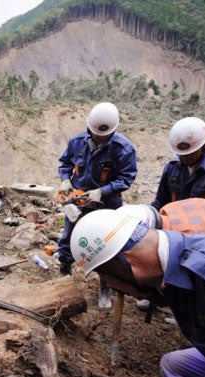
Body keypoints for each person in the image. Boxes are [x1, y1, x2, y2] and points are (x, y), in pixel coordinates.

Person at [70, 209, 205, 377]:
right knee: (177, 367)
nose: (111, 286)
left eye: (107, 278)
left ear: (129, 262)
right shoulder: (171, 270)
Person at [57, 102, 137, 308]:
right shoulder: (77, 142)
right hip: (79, 199)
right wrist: (65, 179)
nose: (99, 138)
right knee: (67, 238)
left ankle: (105, 287)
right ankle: (64, 274)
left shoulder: (123, 149)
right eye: (95, 134)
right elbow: (65, 163)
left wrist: (103, 191)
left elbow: (126, 178)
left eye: (103, 135)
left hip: (107, 204)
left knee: (106, 246)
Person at [152, 117, 205, 210]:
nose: (186, 157)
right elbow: (161, 202)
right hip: (175, 221)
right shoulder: (171, 168)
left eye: (191, 153)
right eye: (182, 154)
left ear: (204, 146)